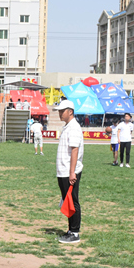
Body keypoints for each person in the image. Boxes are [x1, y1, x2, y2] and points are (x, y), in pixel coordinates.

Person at [54, 100, 83, 244]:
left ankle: (75, 232)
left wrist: (72, 172)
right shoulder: (67, 127)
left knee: (72, 202)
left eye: (62, 111)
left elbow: (74, 150)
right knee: (67, 201)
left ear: (70, 112)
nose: (60, 113)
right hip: (63, 171)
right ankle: (71, 230)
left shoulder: (74, 128)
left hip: (69, 171)